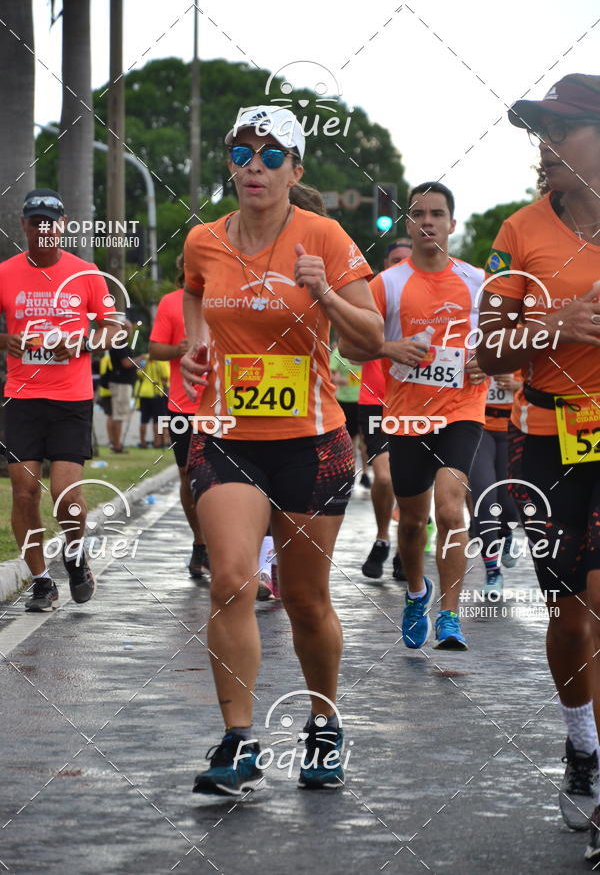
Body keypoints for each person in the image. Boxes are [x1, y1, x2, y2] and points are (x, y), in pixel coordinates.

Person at [180, 105, 382, 796]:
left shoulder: (323, 235)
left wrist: (324, 291)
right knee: (232, 579)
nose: (255, 167)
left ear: (296, 170)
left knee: (304, 599)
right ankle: (238, 742)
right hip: (228, 440)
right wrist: (196, 348)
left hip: (313, 444)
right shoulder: (205, 240)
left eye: (271, 156)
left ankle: (324, 722)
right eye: (242, 154)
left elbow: (370, 340)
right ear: (230, 165)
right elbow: (193, 295)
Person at [475, 74, 600, 857]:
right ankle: (580, 738)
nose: (544, 146)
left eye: (560, 129)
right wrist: (554, 323)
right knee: (570, 612)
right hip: (547, 439)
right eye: (538, 132)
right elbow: (488, 349)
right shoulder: (517, 234)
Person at [340, 181, 487, 651]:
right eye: (419, 213)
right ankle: (415, 593)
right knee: (411, 521)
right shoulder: (388, 283)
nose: (428, 222)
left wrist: (491, 359)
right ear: (408, 223)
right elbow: (347, 345)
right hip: (405, 418)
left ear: (452, 224)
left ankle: (449, 615)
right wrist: (388, 347)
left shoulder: (479, 282)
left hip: (463, 408)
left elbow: (506, 342)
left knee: (450, 507)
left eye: (437, 214)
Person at [0, 188, 117, 611]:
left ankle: (74, 553)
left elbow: (114, 326)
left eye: (51, 222)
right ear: (25, 226)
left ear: (63, 225)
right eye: (36, 222)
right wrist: (5, 340)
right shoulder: (6, 272)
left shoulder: (86, 273)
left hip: (71, 398)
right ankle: (42, 582)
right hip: (23, 395)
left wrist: (83, 342)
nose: (43, 229)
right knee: (25, 489)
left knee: (66, 495)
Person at [149, 262, 209, 579]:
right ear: (183, 269)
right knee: (188, 475)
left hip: (225, 406)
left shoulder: (228, 298)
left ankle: (231, 547)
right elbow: (154, 349)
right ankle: (200, 544)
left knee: (230, 477)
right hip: (183, 405)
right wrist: (178, 349)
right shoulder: (171, 302)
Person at [359, 239, 412, 580]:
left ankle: (405, 546)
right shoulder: (372, 296)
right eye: (394, 261)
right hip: (376, 401)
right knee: (386, 476)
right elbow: (352, 347)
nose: (400, 268)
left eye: (406, 262)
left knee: (412, 483)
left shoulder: (432, 298)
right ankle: (382, 538)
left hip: (419, 403)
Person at [469, 371, 522, 596]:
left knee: (510, 505)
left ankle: (506, 533)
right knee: (484, 498)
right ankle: (493, 571)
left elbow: (548, 379)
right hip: (478, 427)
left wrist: (519, 385)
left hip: (515, 426)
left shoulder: (527, 338)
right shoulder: (472, 338)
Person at [108, 328, 143, 453]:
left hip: (121, 383)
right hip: (121, 384)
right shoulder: (120, 345)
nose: (130, 331)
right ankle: (117, 446)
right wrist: (140, 358)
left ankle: (115, 443)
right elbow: (126, 363)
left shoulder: (118, 344)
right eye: (127, 328)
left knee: (116, 414)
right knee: (119, 415)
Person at [134, 353, 170, 448]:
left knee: (144, 419)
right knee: (157, 419)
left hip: (143, 393)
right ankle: (157, 442)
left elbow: (139, 373)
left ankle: (143, 442)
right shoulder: (161, 359)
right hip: (156, 392)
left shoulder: (146, 358)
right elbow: (166, 375)